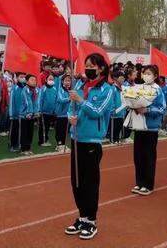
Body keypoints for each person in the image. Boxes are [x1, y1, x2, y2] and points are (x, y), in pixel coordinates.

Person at [64, 53, 113, 241]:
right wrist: (71, 117)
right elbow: (71, 107)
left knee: (89, 182)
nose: (88, 68)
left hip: (92, 142)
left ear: (101, 68)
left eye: (92, 65)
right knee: (76, 181)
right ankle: (82, 215)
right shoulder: (82, 86)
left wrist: (81, 101)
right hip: (76, 139)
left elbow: (98, 112)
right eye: (86, 65)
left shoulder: (106, 90)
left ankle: (91, 220)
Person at [131, 65, 166, 196]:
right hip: (139, 125)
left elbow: (162, 109)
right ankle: (139, 182)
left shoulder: (158, 90)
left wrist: (148, 110)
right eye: (144, 73)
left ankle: (148, 184)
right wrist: (132, 105)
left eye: (149, 73)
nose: (146, 75)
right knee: (138, 156)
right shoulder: (138, 88)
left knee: (148, 156)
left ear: (155, 76)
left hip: (150, 128)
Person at [37, 73, 57, 147]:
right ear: (46, 80)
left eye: (52, 79)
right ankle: (42, 141)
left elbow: (55, 100)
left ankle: (46, 139)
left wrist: (55, 109)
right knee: (43, 127)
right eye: (49, 79)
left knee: (47, 127)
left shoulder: (54, 89)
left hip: (51, 112)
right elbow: (40, 99)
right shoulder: (43, 88)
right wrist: (39, 110)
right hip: (43, 112)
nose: (51, 81)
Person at [20, 74, 36, 155]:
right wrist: (29, 112)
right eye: (32, 80)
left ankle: (28, 147)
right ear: (27, 81)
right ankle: (24, 149)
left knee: (30, 132)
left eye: (35, 80)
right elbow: (27, 102)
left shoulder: (34, 90)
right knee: (24, 132)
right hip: (25, 115)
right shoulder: (25, 90)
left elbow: (36, 102)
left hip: (32, 115)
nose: (34, 82)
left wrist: (36, 112)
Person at [55, 74, 72, 152]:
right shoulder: (59, 90)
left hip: (68, 114)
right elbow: (60, 99)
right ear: (62, 81)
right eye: (66, 80)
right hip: (61, 114)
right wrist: (69, 98)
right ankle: (59, 144)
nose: (68, 82)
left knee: (66, 130)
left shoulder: (70, 90)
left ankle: (64, 144)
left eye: (69, 80)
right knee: (60, 130)